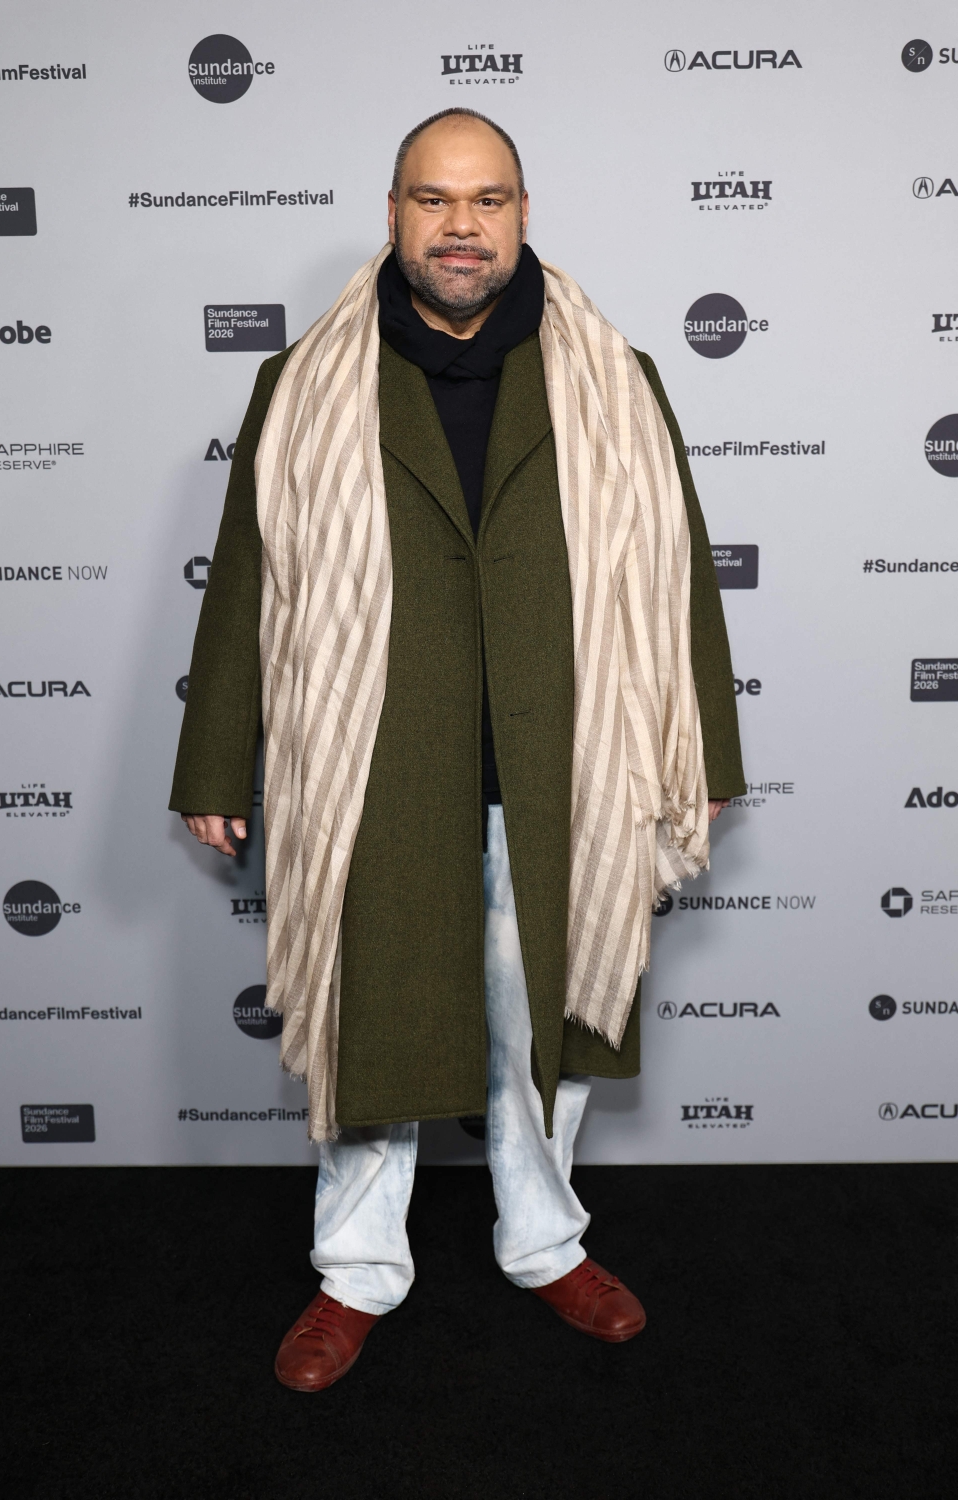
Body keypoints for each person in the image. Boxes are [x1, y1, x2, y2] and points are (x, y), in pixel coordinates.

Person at [171, 108, 744, 1392]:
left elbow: (677, 582)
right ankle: (357, 1272)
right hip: (379, 763)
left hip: (561, 773)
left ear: (523, 215)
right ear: (393, 216)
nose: (460, 224)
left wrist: (696, 737)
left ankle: (545, 1243)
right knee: (373, 1019)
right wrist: (216, 761)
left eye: (485, 199)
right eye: (433, 200)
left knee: (540, 1023)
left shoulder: (616, 376)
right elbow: (247, 585)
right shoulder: (305, 384)